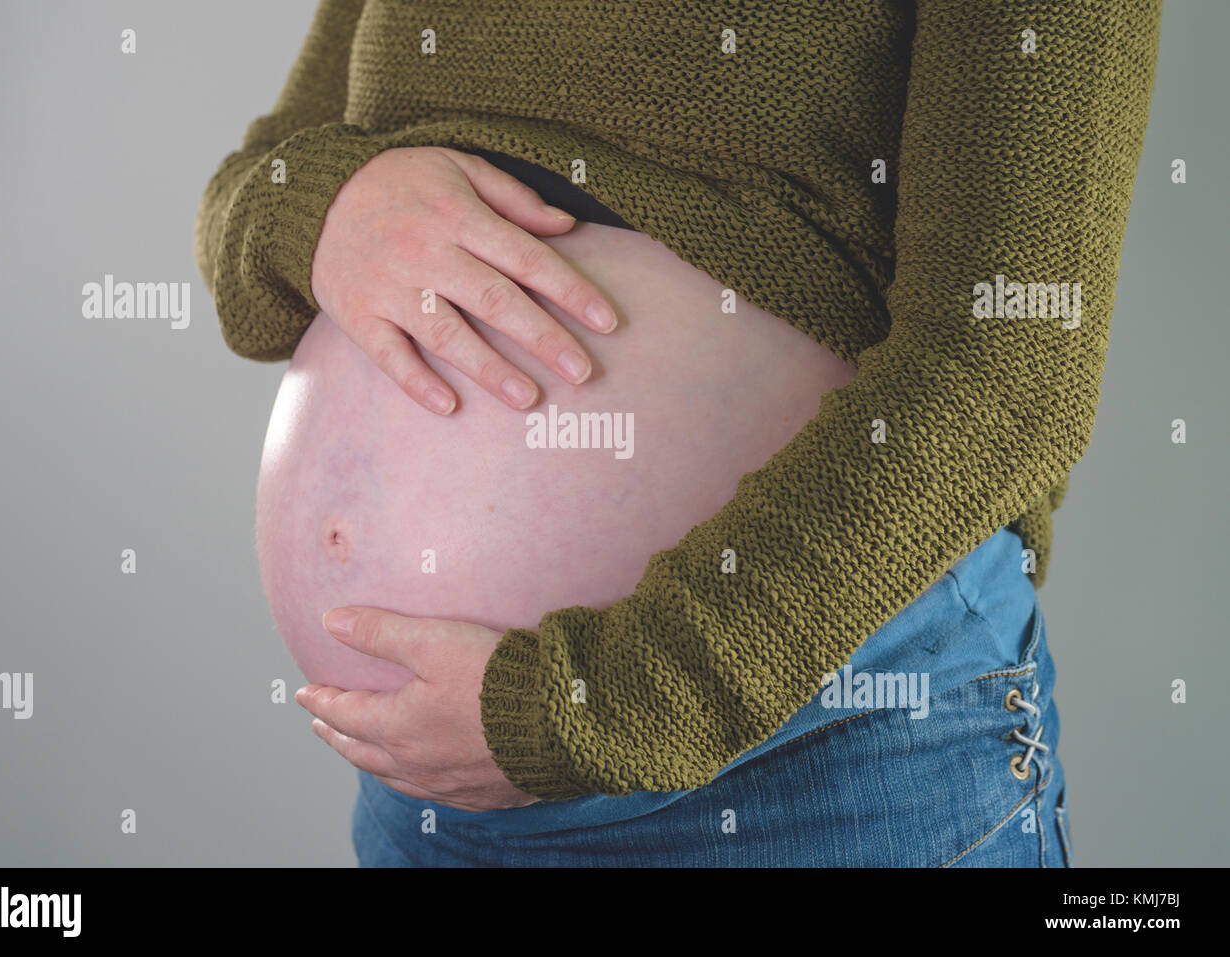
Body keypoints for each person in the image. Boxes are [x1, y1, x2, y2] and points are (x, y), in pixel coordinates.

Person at [194, 0, 1162, 866]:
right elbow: (254, 197)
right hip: (434, 808)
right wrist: (320, 206)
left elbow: (1006, 373)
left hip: (814, 781)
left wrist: (597, 709)